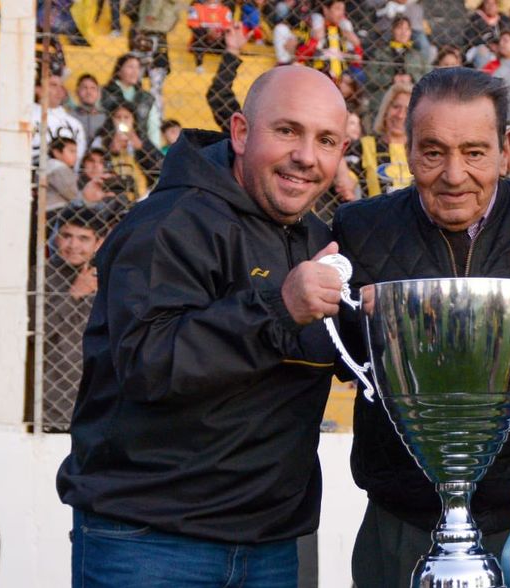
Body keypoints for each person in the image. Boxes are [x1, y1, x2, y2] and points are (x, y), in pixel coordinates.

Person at [56, 65, 351, 586]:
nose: (307, 157)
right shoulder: (168, 223)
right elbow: (148, 365)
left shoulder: (320, 242)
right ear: (240, 133)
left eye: (326, 140)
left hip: (272, 547)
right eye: (287, 131)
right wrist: (278, 309)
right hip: (151, 543)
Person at [333, 66, 510, 588]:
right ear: (407, 150)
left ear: (505, 149)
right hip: (404, 522)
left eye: (474, 152)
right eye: (434, 152)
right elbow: (346, 366)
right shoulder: (358, 230)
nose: (454, 175)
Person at [42, 206, 109, 431]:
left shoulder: (112, 278)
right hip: (51, 399)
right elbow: (36, 332)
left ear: (98, 243)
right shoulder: (41, 276)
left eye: (83, 239)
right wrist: (74, 295)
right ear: (57, 238)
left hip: (99, 394)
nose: (73, 246)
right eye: (67, 236)